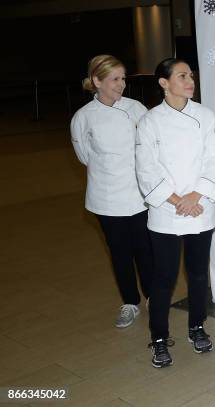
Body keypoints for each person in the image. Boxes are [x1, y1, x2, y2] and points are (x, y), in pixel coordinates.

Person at [135, 58, 215, 368]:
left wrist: (196, 195)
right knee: (164, 279)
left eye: (191, 75)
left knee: (198, 275)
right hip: (166, 213)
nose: (190, 81)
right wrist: (177, 201)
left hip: (200, 208)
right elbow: (146, 170)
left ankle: (197, 327)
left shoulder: (205, 115)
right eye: (182, 76)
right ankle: (159, 338)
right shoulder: (149, 122)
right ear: (163, 83)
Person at [70, 54, 153, 329]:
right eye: (115, 79)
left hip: (139, 195)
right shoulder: (83, 118)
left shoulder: (137, 108)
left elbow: (150, 147)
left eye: (123, 78)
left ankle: (153, 297)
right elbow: (84, 156)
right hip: (106, 198)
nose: (122, 85)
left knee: (146, 250)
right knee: (119, 252)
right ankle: (130, 302)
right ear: (97, 81)